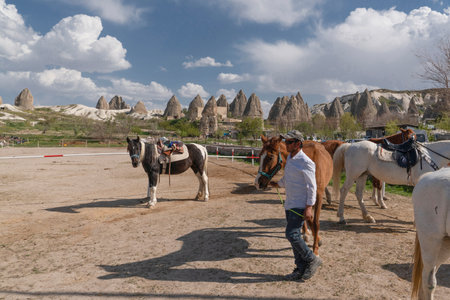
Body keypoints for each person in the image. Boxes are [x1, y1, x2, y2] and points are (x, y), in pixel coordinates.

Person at [269, 130, 322, 281]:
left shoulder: (306, 162)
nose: (286, 144)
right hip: (290, 203)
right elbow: (287, 180)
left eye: (290, 142)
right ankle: (300, 268)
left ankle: (312, 259)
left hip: (300, 204)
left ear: (298, 144)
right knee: (295, 237)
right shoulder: (291, 159)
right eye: (286, 142)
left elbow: (312, 187)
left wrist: (309, 207)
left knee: (291, 234)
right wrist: (275, 184)